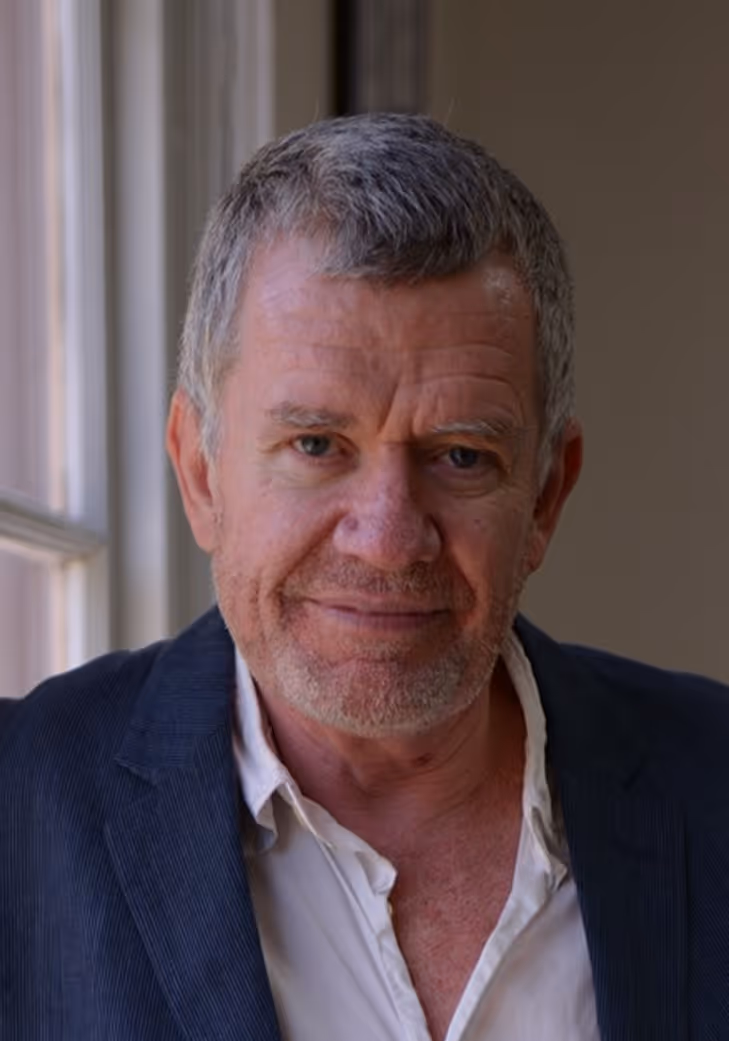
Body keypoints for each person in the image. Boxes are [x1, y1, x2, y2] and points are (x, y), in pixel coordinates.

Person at [1, 113, 727, 1041]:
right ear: (200, 472)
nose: (387, 539)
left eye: (460, 456)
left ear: (546, 494)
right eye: (315, 444)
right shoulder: (18, 807)